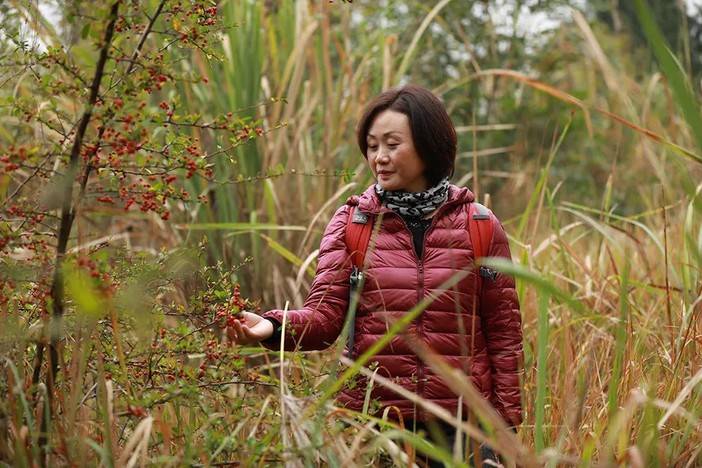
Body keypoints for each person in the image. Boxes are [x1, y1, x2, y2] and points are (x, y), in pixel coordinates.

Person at [228, 84, 523, 466]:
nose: (379, 157)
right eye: (371, 146)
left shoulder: (479, 225)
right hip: (375, 424)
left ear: (428, 145)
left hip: (460, 427)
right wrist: (271, 326)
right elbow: (324, 317)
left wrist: (504, 430)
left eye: (392, 144)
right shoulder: (353, 223)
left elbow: (504, 336)